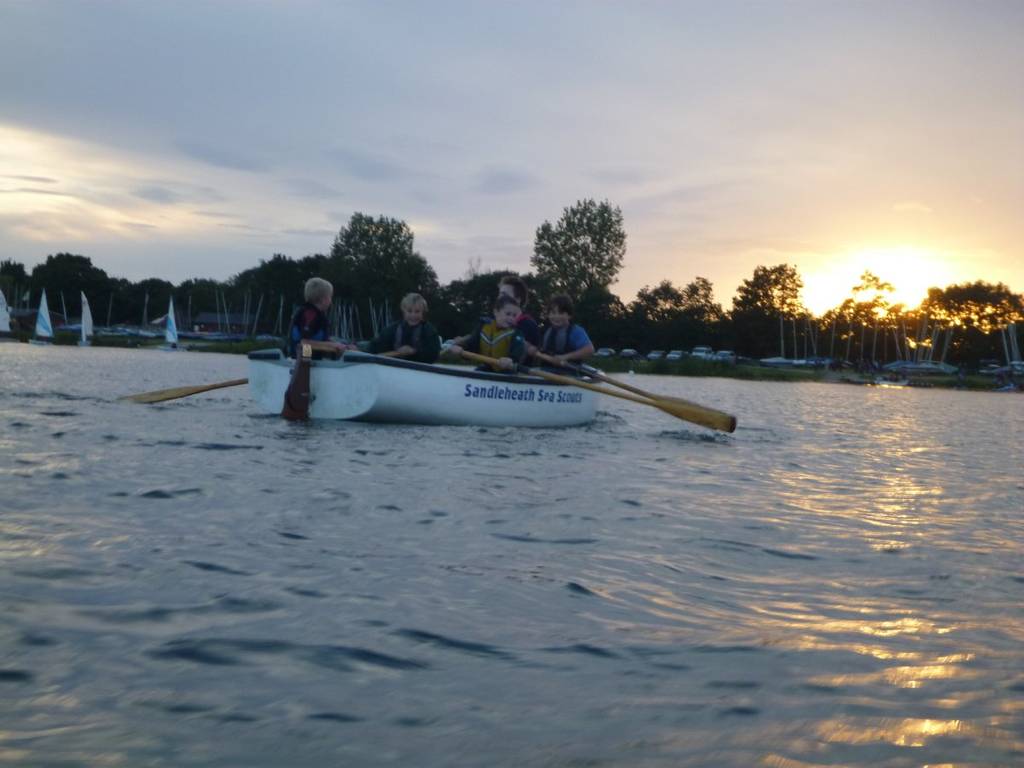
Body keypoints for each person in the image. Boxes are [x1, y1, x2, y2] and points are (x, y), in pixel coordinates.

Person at [447, 294, 526, 371]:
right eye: (508, 314)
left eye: (514, 315)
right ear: (496, 312)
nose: (511, 318)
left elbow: (518, 350)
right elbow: (471, 346)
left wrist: (511, 359)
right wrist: (461, 350)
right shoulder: (483, 327)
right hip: (487, 368)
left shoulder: (516, 333)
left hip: (507, 371)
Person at [286, 277, 352, 358]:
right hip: (302, 364)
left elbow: (317, 340)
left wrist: (342, 346)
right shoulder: (310, 314)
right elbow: (305, 343)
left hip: (312, 362)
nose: (331, 301)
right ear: (323, 299)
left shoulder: (316, 315)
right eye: (330, 297)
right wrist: (307, 360)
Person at [366, 292, 441, 363]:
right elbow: (375, 345)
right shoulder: (392, 329)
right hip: (393, 369)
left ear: (423, 312)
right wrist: (360, 349)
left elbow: (433, 354)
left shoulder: (429, 331)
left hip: (418, 371)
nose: (413, 315)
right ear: (404, 311)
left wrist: (414, 351)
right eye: (409, 311)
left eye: (417, 311)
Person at [529, 293, 595, 367]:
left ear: (569, 315)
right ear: (548, 315)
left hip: (570, 372)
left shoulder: (575, 331)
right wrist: (534, 351)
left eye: (561, 313)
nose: (556, 317)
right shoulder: (545, 331)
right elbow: (540, 350)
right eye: (553, 313)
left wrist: (565, 357)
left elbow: (589, 350)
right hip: (547, 371)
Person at [497, 275, 541, 349]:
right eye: (499, 294)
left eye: (504, 294)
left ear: (518, 299)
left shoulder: (528, 326)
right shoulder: (494, 321)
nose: (499, 298)